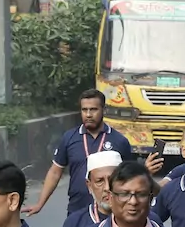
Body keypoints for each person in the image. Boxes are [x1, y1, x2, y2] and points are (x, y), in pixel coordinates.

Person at [24, 89, 139, 217]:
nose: (88, 114)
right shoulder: (69, 138)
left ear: (104, 110)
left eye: (93, 109)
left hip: (110, 212)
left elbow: (130, 177)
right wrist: (40, 203)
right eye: (84, 110)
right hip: (77, 210)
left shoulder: (119, 141)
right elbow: (55, 172)